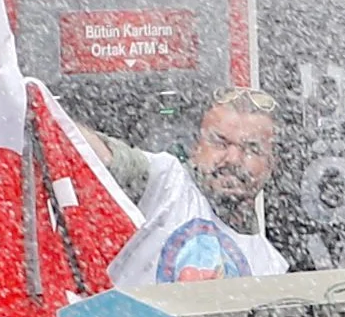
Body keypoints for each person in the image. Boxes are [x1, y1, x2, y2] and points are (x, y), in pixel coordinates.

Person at [64, 86, 289, 284]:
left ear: (271, 164)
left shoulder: (271, 268)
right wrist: (41, 105)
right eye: (220, 142)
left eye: (251, 149)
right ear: (196, 147)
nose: (232, 158)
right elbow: (95, 152)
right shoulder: (166, 182)